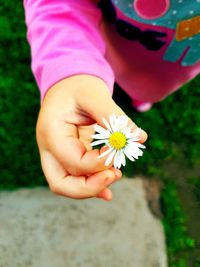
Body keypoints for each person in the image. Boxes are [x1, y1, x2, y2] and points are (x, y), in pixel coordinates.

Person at [23, 0, 200, 201]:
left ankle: (141, 96)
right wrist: (71, 71)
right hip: (112, 40)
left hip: (172, 66)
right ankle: (119, 86)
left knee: (150, 89)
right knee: (110, 69)